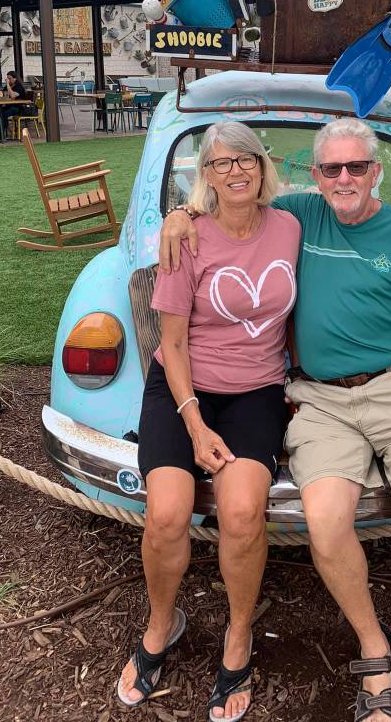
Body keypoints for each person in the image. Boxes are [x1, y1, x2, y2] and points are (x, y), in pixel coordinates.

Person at [160, 118, 391, 722]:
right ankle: (375, 645)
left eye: (357, 166)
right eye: (331, 168)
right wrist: (181, 213)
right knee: (326, 525)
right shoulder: (299, 215)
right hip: (322, 401)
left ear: (376, 171)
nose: (344, 178)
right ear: (315, 175)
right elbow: (231, 196)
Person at [118, 121, 301, 722]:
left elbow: (344, 200)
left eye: (245, 159)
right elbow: (170, 342)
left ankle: (238, 632)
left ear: (262, 166)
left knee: (243, 513)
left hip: (256, 391)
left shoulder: (290, 227)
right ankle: (161, 623)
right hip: (181, 388)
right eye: (221, 163)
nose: (235, 171)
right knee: (166, 514)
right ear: (207, 176)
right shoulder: (187, 238)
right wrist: (195, 425)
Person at [0, 71, 30, 137]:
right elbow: (3, 95)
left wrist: (8, 85)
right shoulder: (8, 86)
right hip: (9, 106)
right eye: (7, 78)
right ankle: (8, 130)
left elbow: (13, 96)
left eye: (9, 78)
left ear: (15, 78)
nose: (8, 80)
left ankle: (3, 134)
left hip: (19, 107)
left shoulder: (19, 87)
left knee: (3, 114)